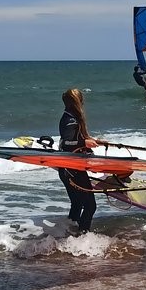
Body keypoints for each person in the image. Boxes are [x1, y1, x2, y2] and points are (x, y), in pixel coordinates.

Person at [58, 88, 100, 233]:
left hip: (66, 168)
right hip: (72, 169)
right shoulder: (70, 120)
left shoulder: (69, 116)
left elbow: (72, 140)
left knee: (77, 203)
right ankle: (83, 236)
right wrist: (84, 143)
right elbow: (66, 143)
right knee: (90, 206)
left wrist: (92, 141)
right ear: (78, 101)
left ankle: (70, 232)